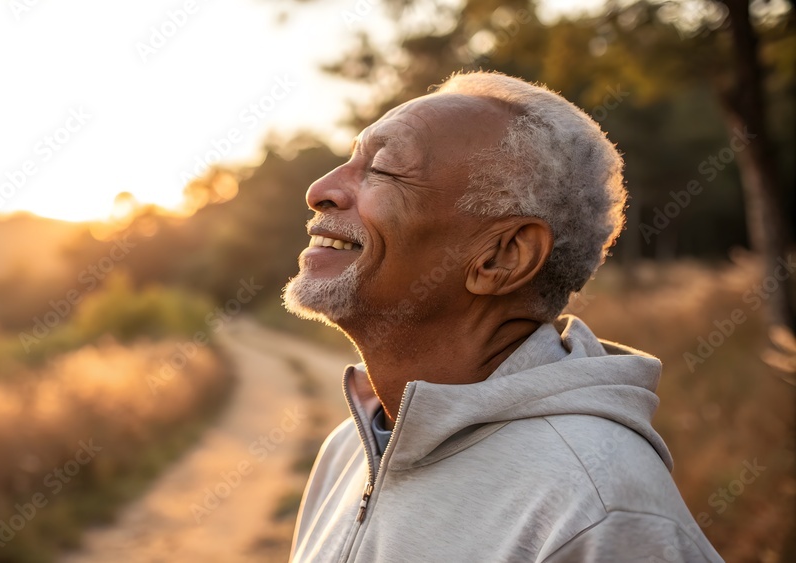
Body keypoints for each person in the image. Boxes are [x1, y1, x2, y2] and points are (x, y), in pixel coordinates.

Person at [283, 71, 723, 562]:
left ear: (501, 258)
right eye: (351, 160)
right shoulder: (350, 449)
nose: (320, 189)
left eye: (383, 170)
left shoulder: (599, 510)